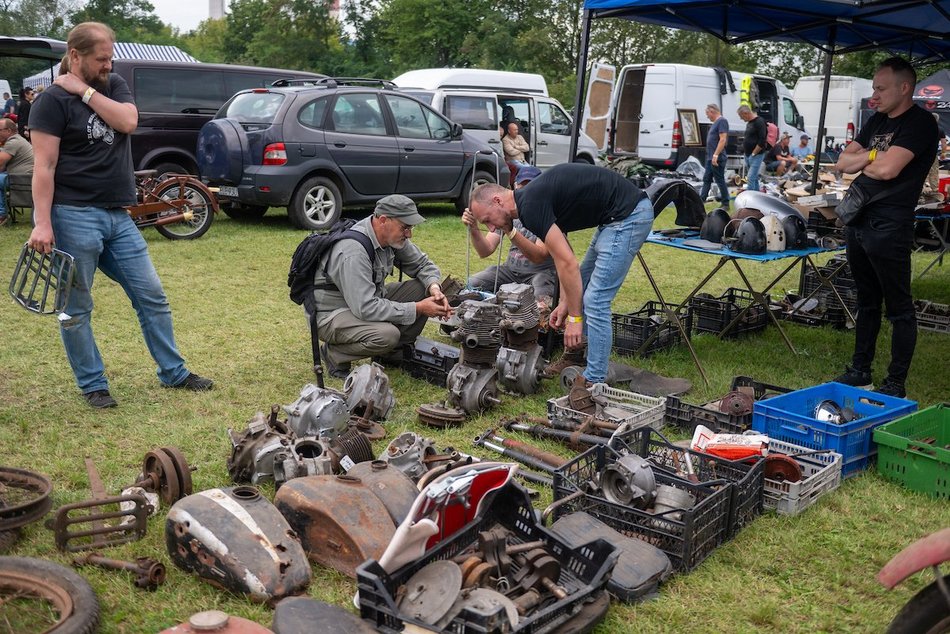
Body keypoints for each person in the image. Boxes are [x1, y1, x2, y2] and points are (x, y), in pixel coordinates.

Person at [27, 22, 213, 409]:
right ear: (75, 56)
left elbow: (128, 121)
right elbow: (43, 166)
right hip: (73, 214)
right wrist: (42, 222)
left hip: (118, 215)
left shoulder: (112, 85)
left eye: (110, 57)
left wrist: (86, 89)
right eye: (101, 59)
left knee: (152, 296)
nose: (108, 64)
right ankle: (93, 384)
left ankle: (174, 372)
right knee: (76, 307)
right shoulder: (50, 102)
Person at [469, 163, 654, 385]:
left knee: (595, 299)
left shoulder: (530, 205)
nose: (490, 228)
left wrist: (575, 318)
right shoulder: (528, 204)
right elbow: (561, 257)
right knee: (583, 288)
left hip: (628, 216)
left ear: (498, 201)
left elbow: (568, 263)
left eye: (488, 220)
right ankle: (577, 356)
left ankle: (593, 381)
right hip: (612, 219)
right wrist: (565, 304)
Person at [833, 56, 937, 398]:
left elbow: (890, 170)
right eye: (874, 87)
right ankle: (860, 370)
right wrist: (875, 157)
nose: (875, 95)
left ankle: (895, 382)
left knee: (899, 308)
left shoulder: (920, 123)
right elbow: (843, 163)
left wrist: (868, 161)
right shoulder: (877, 120)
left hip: (891, 223)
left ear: (904, 88)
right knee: (865, 301)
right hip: (859, 219)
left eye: (881, 87)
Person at [312, 194, 452, 378]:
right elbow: (366, 307)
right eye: (405, 227)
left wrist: (434, 288)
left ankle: (391, 354)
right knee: (387, 335)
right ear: (384, 220)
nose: (409, 234)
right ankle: (334, 354)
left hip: (363, 302)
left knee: (421, 288)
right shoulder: (353, 251)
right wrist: (418, 308)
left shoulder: (391, 237)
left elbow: (423, 265)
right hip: (332, 315)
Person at [461, 164, 556, 308]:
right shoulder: (506, 211)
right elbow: (485, 250)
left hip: (540, 273)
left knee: (540, 301)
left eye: (530, 186)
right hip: (510, 272)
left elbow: (539, 256)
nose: (525, 191)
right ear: (515, 186)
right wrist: (474, 229)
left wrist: (510, 231)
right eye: (521, 186)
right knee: (472, 285)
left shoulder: (546, 211)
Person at [0, 117, 34, 225]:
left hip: (22, 179)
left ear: (8, 131)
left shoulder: (13, 142)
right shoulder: (18, 140)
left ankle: (1, 215)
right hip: (24, 177)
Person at [699, 103, 730, 209]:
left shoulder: (722, 121)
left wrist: (716, 155)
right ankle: (701, 201)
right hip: (710, 157)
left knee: (719, 179)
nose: (707, 116)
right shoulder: (715, 123)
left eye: (707, 114)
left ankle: (726, 203)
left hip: (717, 157)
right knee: (706, 178)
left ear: (712, 111)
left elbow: (723, 139)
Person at [738, 105, 767, 192]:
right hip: (748, 154)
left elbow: (762, 140)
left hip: (756, 155)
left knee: (750, 177)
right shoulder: (749, 123)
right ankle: (757, 195)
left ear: (746, 113)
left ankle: (749, 198)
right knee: (753, 178)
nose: (741, 119)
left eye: (741, 116)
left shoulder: (759, 122)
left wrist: (754, 153)